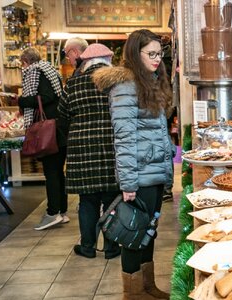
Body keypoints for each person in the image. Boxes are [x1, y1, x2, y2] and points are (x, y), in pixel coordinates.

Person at [93, 29, 172, 300]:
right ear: (134, 54)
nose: (156, 59)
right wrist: (128, 183)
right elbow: (124, 140)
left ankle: (147, 287)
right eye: (150, 54)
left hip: (154, 174)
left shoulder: (150, 82)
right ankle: (133, 293)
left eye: (159, 54)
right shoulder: (126, 87)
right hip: (139, 176)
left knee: (148, 232)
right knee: (134, 236)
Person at [58, 43, 121, 259]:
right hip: (111, 145)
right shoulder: (115, 81)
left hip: (81, 148)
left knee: (87, 200)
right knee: (112, 199)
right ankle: (112, 247)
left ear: (86, 61)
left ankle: (87, 247)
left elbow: (62, 114)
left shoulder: (74, 82)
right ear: (107, 60)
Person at [18, 47, 68, 230]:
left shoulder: (36, 72)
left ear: (26, 61)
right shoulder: (49, 70)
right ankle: (61, 211)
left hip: (49, 131)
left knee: (52, 172)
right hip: (59, 128)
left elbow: (45, 97)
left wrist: (22, 101)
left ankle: (53, 212)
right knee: (58, 172)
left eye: (22, 63)